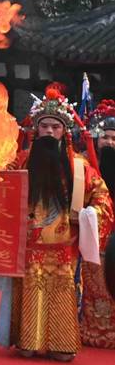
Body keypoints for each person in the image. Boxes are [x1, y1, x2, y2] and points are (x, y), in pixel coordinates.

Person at [0, 86, 114, 361]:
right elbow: (1, 188)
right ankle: (27, 341)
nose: (49, 132)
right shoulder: (22, 162)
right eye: (45, 127)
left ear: (64, 131)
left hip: (64, 245)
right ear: (36, 131)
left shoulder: (79, 167)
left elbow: (104, 199)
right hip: (29, 244)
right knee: (30, 288)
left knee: (62, 291)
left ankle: (61, 344)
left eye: (55, 127)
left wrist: (89, 215)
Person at [80, 99, 115, 348]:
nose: (110, 143)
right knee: (94, 287)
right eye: (105, 138)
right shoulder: (84, 165)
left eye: (114, 139)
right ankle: (90, 330)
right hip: (94, 238)